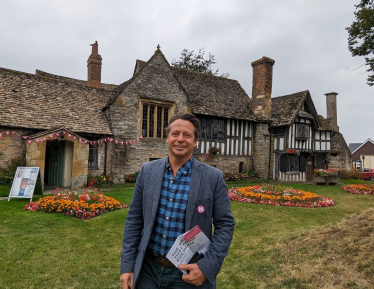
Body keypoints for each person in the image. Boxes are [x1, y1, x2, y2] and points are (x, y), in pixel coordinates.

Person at [120, 113, 235, 289]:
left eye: (187, 135)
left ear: (195, 141)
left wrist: (207, 267)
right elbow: (134, 219)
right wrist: (128, 265)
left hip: (187, 273)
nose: (180, 139)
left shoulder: (213, 177)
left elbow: (225, 224)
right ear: (167, 138)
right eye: (175, 134)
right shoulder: (147, 171)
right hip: (148, 269)